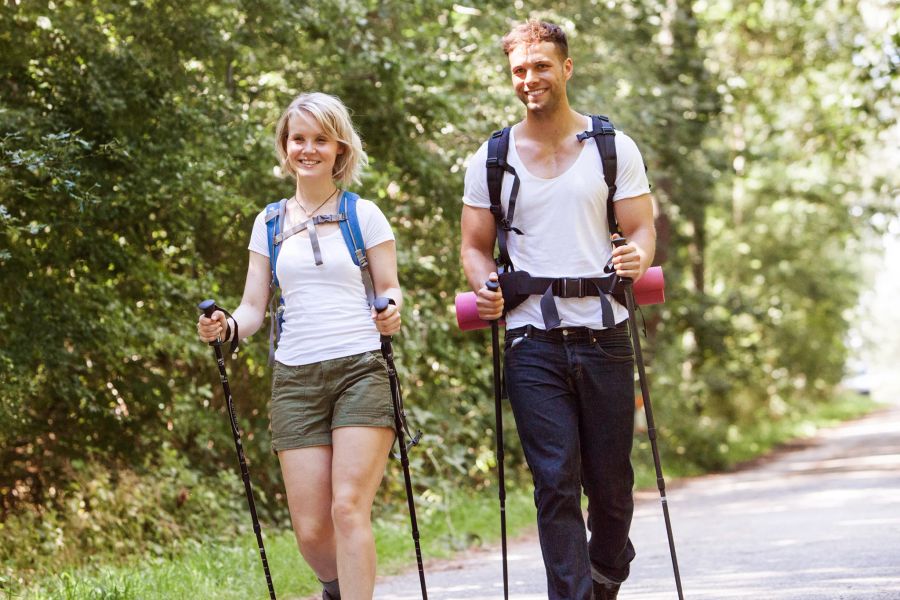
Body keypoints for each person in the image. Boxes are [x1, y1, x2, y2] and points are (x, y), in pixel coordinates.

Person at [460, 20, 656, 600]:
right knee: (554, 482)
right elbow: (474, 246)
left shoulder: (611, 147)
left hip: (605, 334)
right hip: (531, 341)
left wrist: (637, 258)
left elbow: (641, 227)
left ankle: (607, 570)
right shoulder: (491, 157)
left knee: (612, 486)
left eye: (541, 66)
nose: (530, 79)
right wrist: (485, 284)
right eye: (520, 69)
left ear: (565, 68)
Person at [197, 92, 402, 600]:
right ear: (286, 147)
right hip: (295, 377)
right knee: (311, 530)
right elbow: (252, 306)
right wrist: (226, 327)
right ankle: (335, 587)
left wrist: (390, 308)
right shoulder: (268, 223)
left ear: (338, 148)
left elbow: (390, 287)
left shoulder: (364, 214)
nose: (307, 149)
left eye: (319, 140)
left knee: (348, 506)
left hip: (360, 368)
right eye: (298, 139)